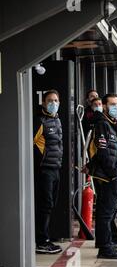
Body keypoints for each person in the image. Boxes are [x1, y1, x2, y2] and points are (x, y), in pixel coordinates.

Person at [87, 93, 117, 259]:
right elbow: (103, 152)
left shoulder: (113, 123)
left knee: (109, 212)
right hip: (108, 176)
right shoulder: (103, 124)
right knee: (105, 213)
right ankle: (105, 248)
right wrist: (112, 174)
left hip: (114, 173)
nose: (116, 107)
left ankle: (107, 243)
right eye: (112, 104)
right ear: (104, 106)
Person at [33, 90, 64, 254]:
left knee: (50, 205)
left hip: (56, 168)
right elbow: (30, 143)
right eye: (50, 100)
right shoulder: (40, 121)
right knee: (44, 206)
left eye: (56, 100)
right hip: (44, 170)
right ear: (44, 103)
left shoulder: (57, 120)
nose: (53, 103)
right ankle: (41, 241)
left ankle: (45, 237)